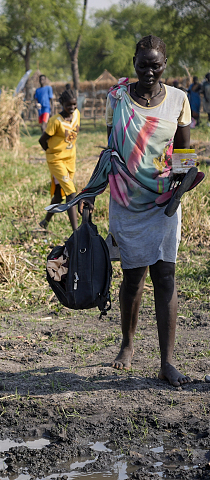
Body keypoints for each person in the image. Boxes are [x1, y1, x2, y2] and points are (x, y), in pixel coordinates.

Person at [86, 36, 192, 387]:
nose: (149, 71)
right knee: (133, 277)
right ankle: (128, 345)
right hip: (125, 198)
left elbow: (184, 154)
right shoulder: (116, 98)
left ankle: (167, 361)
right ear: (134, 61)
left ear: (165, 63)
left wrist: (183, 185)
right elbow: (110, 150)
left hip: (163, 201)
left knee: (165, 277)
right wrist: (91, 190)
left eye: (156, 65)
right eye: (143, 64)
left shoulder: (178, 100)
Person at [39, 89, 80, 231]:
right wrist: (52, 154)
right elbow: (42, 140)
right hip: (56, 161)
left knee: (58, 195)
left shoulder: (77, 115)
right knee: (71, 192)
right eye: (69, 105)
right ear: (62, 104)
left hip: (70, 159)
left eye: (74, 104)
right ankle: (76, 232)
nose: (72, 108)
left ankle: (45, 222)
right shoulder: (55, 121)